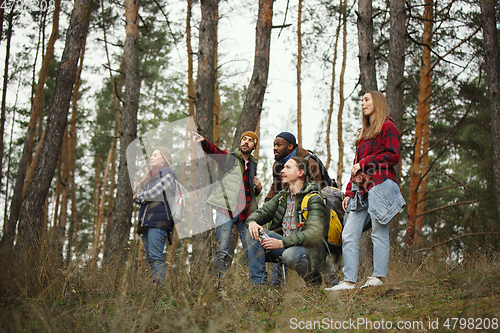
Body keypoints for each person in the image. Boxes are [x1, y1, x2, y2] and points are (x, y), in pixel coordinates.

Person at [326, 91, 405, 291]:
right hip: (360, 191)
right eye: (361, 100)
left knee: (379, 231)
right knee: (349, 233)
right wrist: (349, 193)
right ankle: (349, 281)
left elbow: (393, 155)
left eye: (367, 99)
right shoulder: (363, 134)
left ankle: (378, 277)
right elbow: (355, 167)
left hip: (379, 186)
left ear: (377, 102)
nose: (362, 103)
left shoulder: (388, 126)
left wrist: (365, 162)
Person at [192, 131, 268, 286]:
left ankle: (259, 286)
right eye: (244, 139)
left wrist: (258, 189)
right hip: (226, 210)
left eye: (250, 141)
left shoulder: (253, 164)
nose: (246, 142)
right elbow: (215, 152)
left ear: (254, 145)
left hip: (246, 213)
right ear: (240, 143)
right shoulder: (229, 159)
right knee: (222, 248)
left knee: (253, 248)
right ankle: (219, 286)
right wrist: (203, 142)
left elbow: (247, 191)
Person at [247, 156, 327, 286]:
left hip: (308, 251)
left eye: (288, 167)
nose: (282, 171)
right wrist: (252, 222)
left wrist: (281, 243)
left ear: (301, 173)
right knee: (253, 233)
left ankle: (313, 281)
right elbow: (261, 213)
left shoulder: (313, 198)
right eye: (283, 167)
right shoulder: (282, 197)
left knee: (290, 255)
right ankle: (259, 286)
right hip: (284, 246)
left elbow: (314, 233)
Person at [133, 147, 177, 285]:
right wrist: (141, 197)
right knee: (151, 258)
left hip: (160, 222)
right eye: (151, 155)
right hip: (147, 222)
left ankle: (158, 291)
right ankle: (157, 286)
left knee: (156, 256)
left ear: (163, 158)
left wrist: (139, 196)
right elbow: (144, 198)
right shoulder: (151, 178)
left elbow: (153, 194)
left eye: (155, 155)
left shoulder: (168, 175)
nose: (151, 157)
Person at [265, 132, 322, 203]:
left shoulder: (309, 162)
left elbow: (316, 190)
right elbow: (276, 187)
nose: (274, 148)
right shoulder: (278, 165)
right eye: (274, 145)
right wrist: (268, 200)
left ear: (290, 146)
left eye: (279, 145)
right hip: (289, 205)